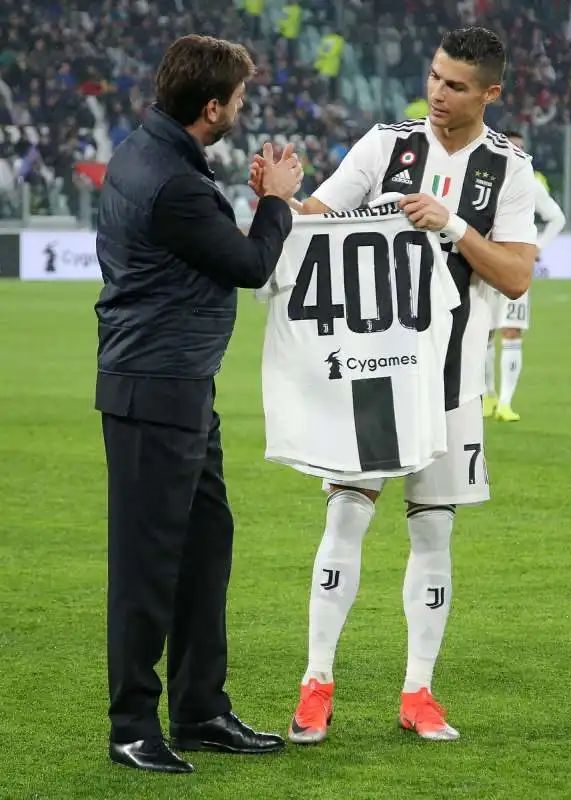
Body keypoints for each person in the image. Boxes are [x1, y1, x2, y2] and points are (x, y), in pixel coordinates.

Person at [250, 27, 537, 743]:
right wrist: (277, 204)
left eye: (456, 85)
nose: (438, 95)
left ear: (490, 93)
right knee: (345, 516)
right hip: (374, 377)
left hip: (451, 383)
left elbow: (515, 274)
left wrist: (453, 225)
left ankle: (419, 692)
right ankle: (315, 683)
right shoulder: (385, 146)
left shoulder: (508, 170)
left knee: (433, 533)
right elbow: (316, 219)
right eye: (435, 78)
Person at [94, 34, 301, 774]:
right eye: (238, 99)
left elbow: (199, 236)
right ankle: (131, 726)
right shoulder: (172, 180)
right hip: (156, 388)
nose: (243, 108)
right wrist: (275, 201)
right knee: (148, 565)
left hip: (175, 386)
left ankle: (200, 708)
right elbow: (248, 264)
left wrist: (248, 196)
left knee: (205, 546)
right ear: (211, 107)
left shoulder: (150, 150)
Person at [483, 130, 567, 421]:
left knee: (511, 330)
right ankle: (487, 395)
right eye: (511, 146)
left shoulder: (530, 183)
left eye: (520, 148)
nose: (515, 152)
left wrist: (537, 248)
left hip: (516, 265)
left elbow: (557, 217)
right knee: (483, 332)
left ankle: (505, 402)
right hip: (483, 266)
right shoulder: (482, 176)